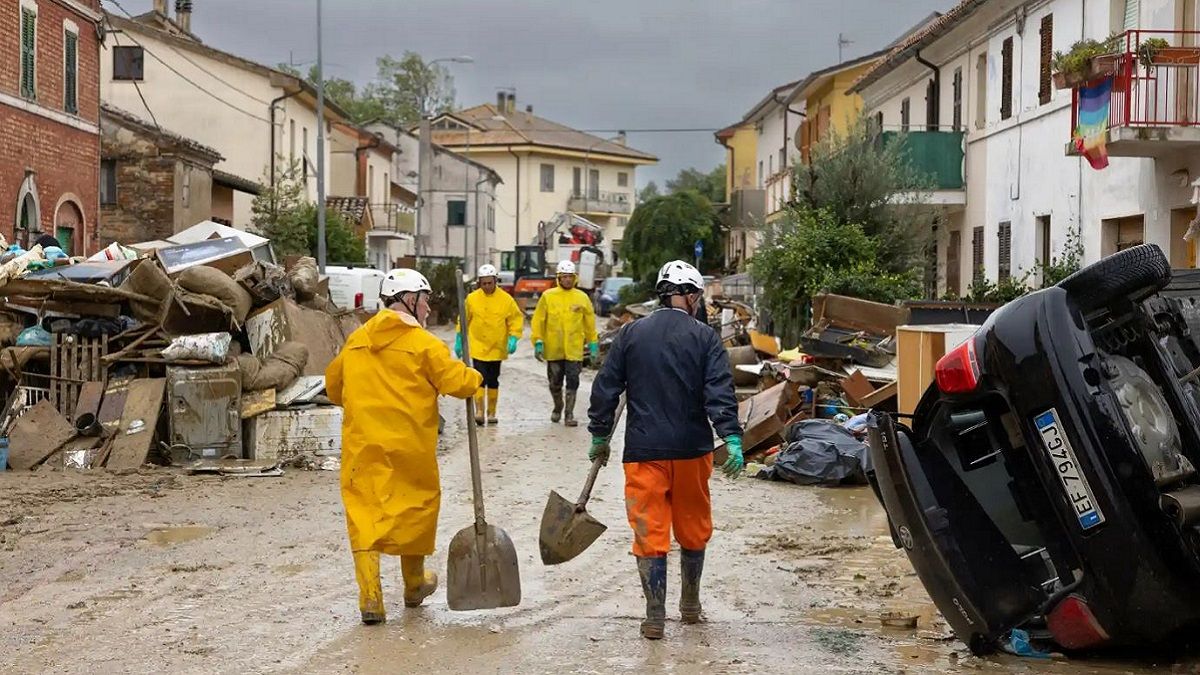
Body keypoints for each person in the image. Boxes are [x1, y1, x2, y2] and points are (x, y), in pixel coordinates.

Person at [586, 260, 744, 640]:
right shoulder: (705, 338)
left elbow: (606, 388)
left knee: (649, 531)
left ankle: (654, 616)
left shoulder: (630, 334)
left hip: (643, 451)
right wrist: (732, 437)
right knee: (692, 528)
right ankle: (690, 605)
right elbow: (719, 392)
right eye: (698, 296)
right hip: (692, 450)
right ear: (689, 295)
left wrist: (599, 434)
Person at [326, 268, 482, 625]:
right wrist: (475, 377)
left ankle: (371, 597)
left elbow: (335, 388)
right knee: (415, 508)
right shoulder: (424, 344)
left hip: (363, 446)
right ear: (409, 299)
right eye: (425, 300)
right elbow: (457, 382)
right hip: (411, 446)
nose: (428, 308)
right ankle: (414, 585)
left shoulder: (357, 341)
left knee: (365, 515)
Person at [531, 259, 598, 426]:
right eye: (564, 277)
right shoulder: (548, 296)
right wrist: (538, 341)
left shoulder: (582, 298)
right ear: (559, 278)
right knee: (555, 382)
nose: (568, 280)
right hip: (554, 349)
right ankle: (557, 405)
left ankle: (569, 414)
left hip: (574, 349)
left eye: (570, 277)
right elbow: (539, 320)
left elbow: (590, 323)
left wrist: (593, 344)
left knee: (573, 381)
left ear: (575, 278)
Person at [455, 264, 524, 425]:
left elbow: (515, 319)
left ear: (495, 281)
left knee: (493, 379)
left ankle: (491, 412)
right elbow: (464, 319)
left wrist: (513, 338)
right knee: (479, 378)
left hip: (497, 346)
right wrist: (459, 337)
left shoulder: (506, 300)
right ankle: (479, 411)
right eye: (483, 283)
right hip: (478, 345)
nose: (487, 286)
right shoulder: (472, 299)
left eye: (489, 283)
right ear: (480, 283)